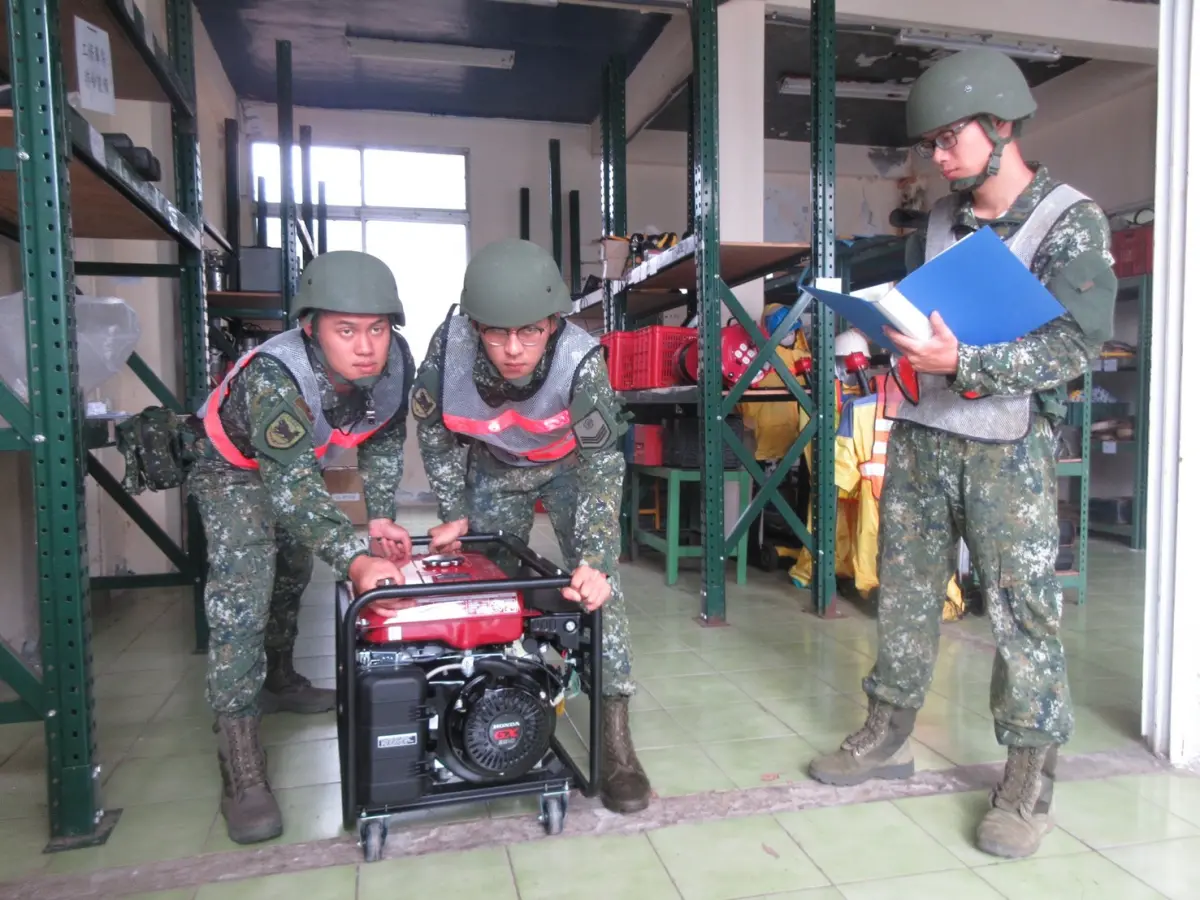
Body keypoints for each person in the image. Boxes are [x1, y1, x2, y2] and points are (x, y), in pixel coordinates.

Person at [807, 48, 1116, 861]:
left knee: (1021, 612)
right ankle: (887, 731)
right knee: (905, 590)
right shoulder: (946, 219)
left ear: (1002, 127)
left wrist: (968, 366)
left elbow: (1080, 342)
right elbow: (925, 320)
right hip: (921, 433)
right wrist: (880, 343)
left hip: (1008, 450)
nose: (939, 158)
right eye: (933, 144)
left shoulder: (1070, 220)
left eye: (950, 140)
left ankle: (1028, 774)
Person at [410, 237, 651, 814]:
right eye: (496, 332)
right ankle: (501, 712)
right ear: (474, 325)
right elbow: (435, 433)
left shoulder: (581, 360)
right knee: (492, 590)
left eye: (530, 332)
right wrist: (454, 509)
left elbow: (601, 464)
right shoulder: (448, 350)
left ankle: (616, 742)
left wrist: (595, 557)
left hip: (568, 466)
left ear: (552, 323)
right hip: (495, 467)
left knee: (597, 593)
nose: (513, 349)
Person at [188, 250, 416, 844]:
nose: (367, 346)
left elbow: (383, 438)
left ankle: (281, 678)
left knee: (292, 570)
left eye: (378, 328)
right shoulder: (274, 372)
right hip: (231, 469)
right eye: (346, 329)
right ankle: (239, 760)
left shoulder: (395, 364)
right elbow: (289, 491)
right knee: (244, 596)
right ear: (310, 327)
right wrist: (357, 556)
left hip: (296, 463)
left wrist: (381, 516)